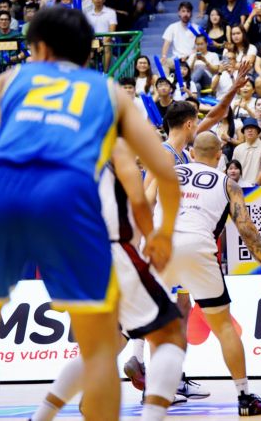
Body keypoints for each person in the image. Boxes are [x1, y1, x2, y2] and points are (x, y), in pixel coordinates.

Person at [0, 7, 181, 420]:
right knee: (100, 349)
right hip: (68, 200)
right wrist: (161, 235)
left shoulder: (15, 77)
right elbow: (164, 171)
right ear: (88, 53)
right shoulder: (108, 91)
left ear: (39, 49)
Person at [31, 139, 185, 420]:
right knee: (172, 336)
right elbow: (142, 201)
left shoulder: (61, 161)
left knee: (101, 348)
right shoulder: (114, 152)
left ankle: (42, 415)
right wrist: (154, 238)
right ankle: (151, 412)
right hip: (111, 252)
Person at [156, 132, 261, 416]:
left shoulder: (169, 171)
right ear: (219, 156)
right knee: (223, 326)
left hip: (159, 245)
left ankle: (98, 385)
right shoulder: (229, 183)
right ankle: (244, 397)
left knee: (134, 327)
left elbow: (143, 203)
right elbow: (246, 228)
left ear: (191, 153)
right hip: (197, 248)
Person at [232, 118, 261, 186]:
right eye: (247, 128)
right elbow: (234, 169)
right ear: (243, 132)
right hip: (241, 187)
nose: (250, 130)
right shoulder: (237, 149)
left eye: (252, 128)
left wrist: (255, 186)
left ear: (258, 131)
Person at [161, 2, 196, 68]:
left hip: (191, 58)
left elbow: (199, 47)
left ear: (191, 13)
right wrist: (164, 56)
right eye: (183, 11)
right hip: (176, 59)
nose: (185, 14)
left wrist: (188, 56)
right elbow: (166, 43)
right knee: (164, 64)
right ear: (179, 13)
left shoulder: (196, 28)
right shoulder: (172, 27)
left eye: (188, 11)